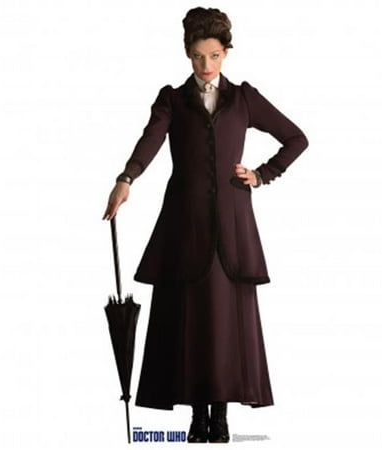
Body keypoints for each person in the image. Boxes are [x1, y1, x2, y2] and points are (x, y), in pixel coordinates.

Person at [102, 6, 308, 444]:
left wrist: (261, 174)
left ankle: (222, 417)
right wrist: (126, 178)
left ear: (226, 53)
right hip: (184, 223)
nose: (206, 65)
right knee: (190, 319)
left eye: (214, 56)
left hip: (233, 225)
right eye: (198, 56)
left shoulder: (244, 98)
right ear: (187, 54)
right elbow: (150, 141)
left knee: (226, 322)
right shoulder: (173, 100)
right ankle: (197, 417)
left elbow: (296, 138)